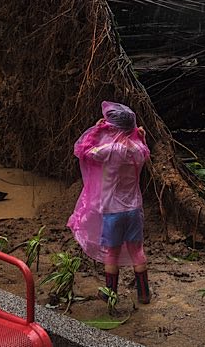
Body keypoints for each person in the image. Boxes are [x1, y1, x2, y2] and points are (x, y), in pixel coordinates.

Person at [68, 101, 152, 304]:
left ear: (112, 127)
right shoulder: (139, 149)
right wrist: (141, 137)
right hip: (134, 209)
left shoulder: (108, 150)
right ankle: (144, 294)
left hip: (112, 211)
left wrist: (96, 131)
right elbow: (146, 150)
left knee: (111, 254)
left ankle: (110, 293)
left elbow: (82, 151)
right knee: (137, 251)